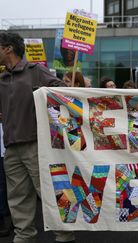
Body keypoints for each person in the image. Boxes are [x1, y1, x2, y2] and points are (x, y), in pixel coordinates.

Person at [0, 32, 75, 243]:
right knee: (17, 198)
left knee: (50, 193)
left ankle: (65, 236)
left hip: (37, 145)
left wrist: (44, 105)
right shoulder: (2, 78)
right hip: (11, 147)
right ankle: (24, 237)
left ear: (8, 48)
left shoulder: (35, 72)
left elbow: (63, 92)